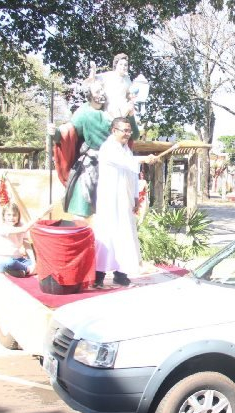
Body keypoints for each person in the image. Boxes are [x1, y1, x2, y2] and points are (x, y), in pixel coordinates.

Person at [49, 80, 138, 218]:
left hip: (115, 162)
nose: (101, 93)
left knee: (116, 206)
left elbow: (133, 135)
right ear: (89, 95)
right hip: (91, 163)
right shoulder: (83, 113)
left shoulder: (113, 110)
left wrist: (130, 116)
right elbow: (69, 131)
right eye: (97, 91)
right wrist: (55, 133)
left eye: (102, 89)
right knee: (81, 197)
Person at [92, 117, 158, 287]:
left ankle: (121, 274)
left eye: (129, 131)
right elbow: (125, 163)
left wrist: (135, 197)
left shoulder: (126, 150)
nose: (128, 134)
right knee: (107, 234)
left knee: (125, 234)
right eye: (125, 130)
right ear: (114, 131)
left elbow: (132, 173)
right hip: (109, 200)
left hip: (125, 200)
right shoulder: (108, 148)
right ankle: (98, 275)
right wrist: (144, 158)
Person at [0, 203, 52, 278]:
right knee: (10, 262)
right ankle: (28, 270)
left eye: (14, 215)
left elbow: (27, 244)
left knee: (42, 265)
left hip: (19, 259)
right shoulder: (1, 227)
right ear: (4, 216)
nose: (11, 217)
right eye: (8, 215)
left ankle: (18, 271)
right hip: (3, 260)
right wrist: (41, 215)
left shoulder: (21, 224)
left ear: (18, 216)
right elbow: (24, 229)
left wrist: (34, 262)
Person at [92, 53, 134, 120]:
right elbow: (93, 79)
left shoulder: (127, 79)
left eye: (125, 65)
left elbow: (129, 94)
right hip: (110, 110)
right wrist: (93, 70)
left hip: (123, 111)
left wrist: (131, 101)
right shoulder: (108, 76)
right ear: (116, 65)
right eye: (121, 64)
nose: (123, 67)